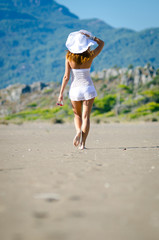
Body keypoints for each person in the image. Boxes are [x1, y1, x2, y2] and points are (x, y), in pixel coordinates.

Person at [57, 30, 104, 150]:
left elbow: (66, 77)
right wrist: (91, 37)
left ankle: (78, 131)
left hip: (75, 89)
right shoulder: (90, 55)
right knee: (86, 117)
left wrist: (61, 94)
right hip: (88, 88)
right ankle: (83, 144)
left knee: (77, 115)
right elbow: (102, 44)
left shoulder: (68, 57)